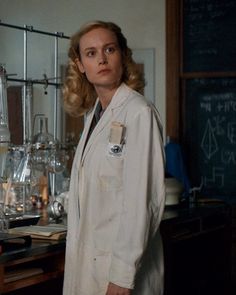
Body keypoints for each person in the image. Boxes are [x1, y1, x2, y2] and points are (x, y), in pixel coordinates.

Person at [62, 20, 165, 295]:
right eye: (91, 53)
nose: (102, 59)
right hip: (92, 266)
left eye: (110, 49)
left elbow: (141, 201)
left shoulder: (138, 113)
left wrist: (121, 278)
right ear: (81, 65)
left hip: (121, 275)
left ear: (123, 56)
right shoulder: (95, 117)